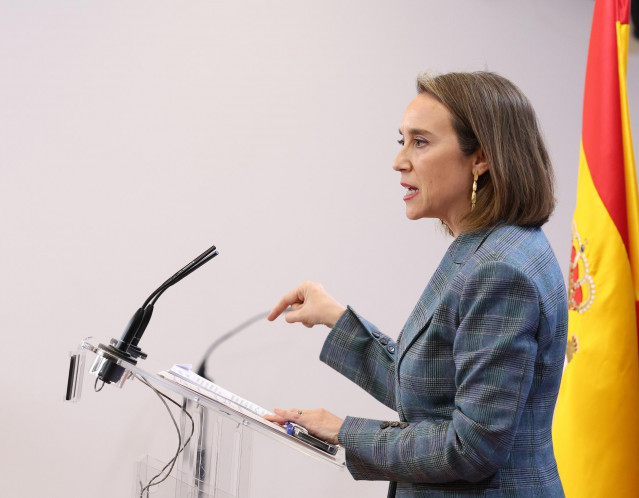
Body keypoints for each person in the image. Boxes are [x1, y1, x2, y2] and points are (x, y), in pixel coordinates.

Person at [265, 71, 568, 497]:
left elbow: (472, 447)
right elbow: (432, 391)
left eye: (420, 142)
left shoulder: (500, 271)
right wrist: (337, 318)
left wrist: (343, 430)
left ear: (480, 157)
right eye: (401, 140)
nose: (399, 160)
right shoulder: (488, 246)